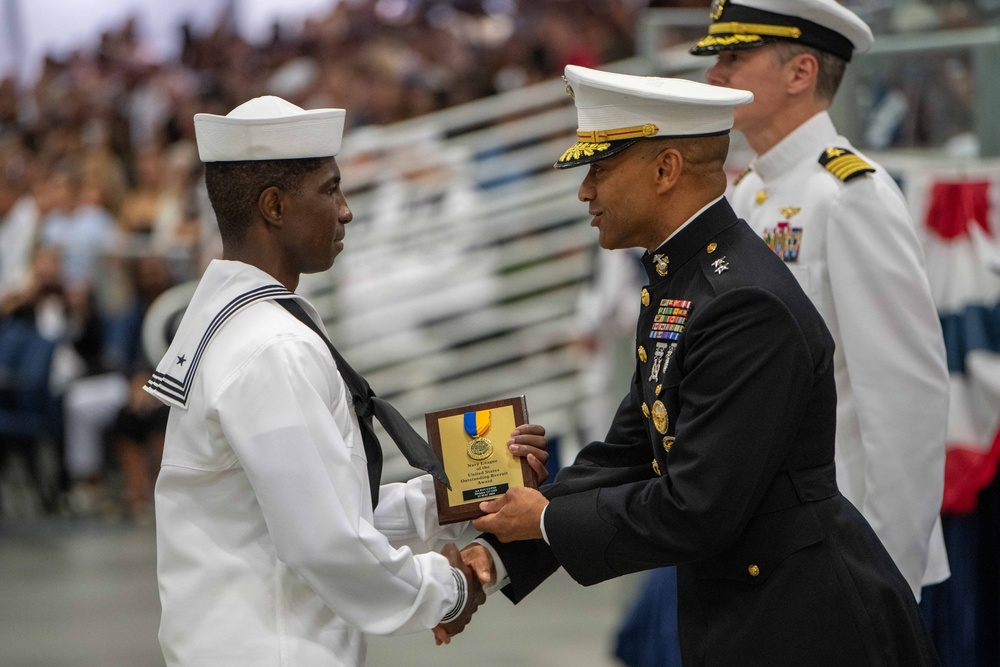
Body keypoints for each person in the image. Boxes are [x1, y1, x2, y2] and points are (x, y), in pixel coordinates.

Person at [463, 64, 940, 666]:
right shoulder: (683, 281)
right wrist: (500, 553)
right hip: (750, 609)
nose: (585, 191)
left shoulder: (741, 303)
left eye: (600, 168)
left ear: (666, 170)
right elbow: (630, 451)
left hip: (810, 622)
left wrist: (549, 520)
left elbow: (697, 507)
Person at [142, 95, 549, 666]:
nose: (345, 210)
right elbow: (325, 542)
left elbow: (316, 506)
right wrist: (449, 590)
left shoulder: (240, 320)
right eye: (330, 190)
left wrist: (466, 491)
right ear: (275, 206)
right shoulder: (273, 347)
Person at [691, 0, 950, 601]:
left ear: (801, 72)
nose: (715, 74)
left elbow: (906, 400)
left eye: (734, 56)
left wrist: (886, 575)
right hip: (758, 537)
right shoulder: (748, 193)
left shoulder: (849, 195)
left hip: (838, 543)